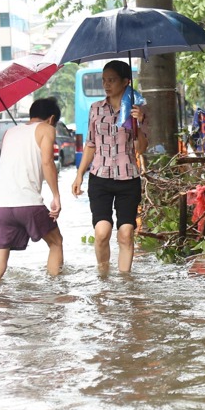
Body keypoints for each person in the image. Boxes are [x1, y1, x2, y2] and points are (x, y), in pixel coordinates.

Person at [72, 60, 147, 274]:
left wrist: (138, 124)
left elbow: (141, 148)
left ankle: (125, 283)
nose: (106, 85)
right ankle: (103, 276)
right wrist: (79, 176)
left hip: (128, 178)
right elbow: (90, 144)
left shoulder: (136, 111)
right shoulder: (95, 109)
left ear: (126, 82)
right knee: (102, 232)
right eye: (104, 80)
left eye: (112, 80)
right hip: (100, 178)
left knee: (126, 232)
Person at [0, 97, 64, 281]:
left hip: (1, 207)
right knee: (56, 243)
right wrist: (56, 196)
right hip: (28, 204)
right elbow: (47, 162)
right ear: (52, 118)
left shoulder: (9, 132)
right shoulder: (47, 129)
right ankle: (56, 291)